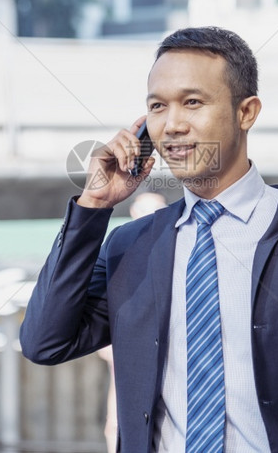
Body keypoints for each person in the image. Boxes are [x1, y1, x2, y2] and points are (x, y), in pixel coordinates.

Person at [20, 26, 278, 452]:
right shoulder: (132, 246)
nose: (172, 124)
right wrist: (94, 206)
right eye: (157, 106)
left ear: (246, 112)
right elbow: (45, 341)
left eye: (192, 102)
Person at [98, 191, 168, 453]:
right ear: (133, 212)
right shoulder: (119, 248)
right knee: (119, 420)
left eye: (157, 208)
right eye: (145, 209)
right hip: (127, 361)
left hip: (166, 357)